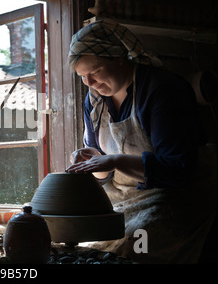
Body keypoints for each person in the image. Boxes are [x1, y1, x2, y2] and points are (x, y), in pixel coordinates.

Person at [65, 19, 216, 263]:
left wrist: (114, 160)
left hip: (175, 195)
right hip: (124, 197)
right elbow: (105, 176)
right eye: (82, 76)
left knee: (132, 244)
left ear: (119, 58)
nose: (89, 83)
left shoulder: (162, 89)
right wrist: (94, 164)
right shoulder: (95, 101)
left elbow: (179, 171)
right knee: (81, 240)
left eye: (94, 72)